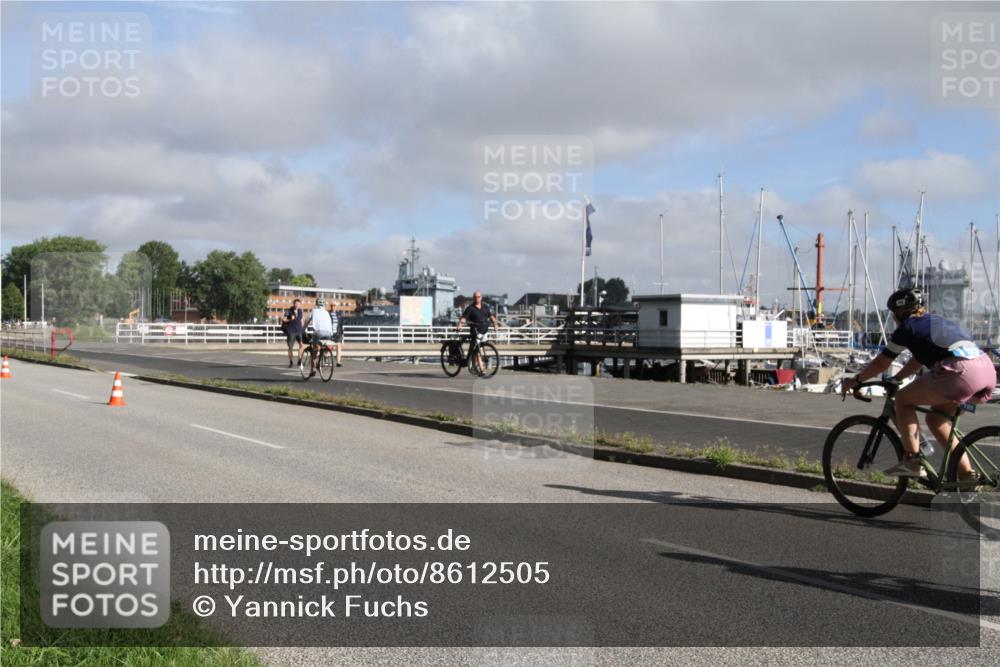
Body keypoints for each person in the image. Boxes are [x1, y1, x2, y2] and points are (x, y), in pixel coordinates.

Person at [841, 288, 996, 479]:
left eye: (893, 314)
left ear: (900, 312)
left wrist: (855, 380)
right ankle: (966, 475)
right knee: (937, 420)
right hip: (986, 370)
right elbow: (919, 360)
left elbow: (882, 362)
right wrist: (896, 378)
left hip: (960, 372)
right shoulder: (935, 321)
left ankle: (912, 462)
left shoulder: (908, 327)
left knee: (903, 399)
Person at [456, 291, 499, 370]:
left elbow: (491, 317)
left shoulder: (485, 307)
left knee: (479, 350)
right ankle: (481, 369)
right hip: (475, 331)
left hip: (484, 331)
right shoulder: (470, 308)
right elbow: (464, 318)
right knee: (478, 350)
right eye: (475, 297)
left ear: (481, 297)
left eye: (478, 297)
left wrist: (495, 324)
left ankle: (475, 366)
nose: (477, 298)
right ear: (473, 298)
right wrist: (460, 325)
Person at [303, 297, 335, 377]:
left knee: (314, 349)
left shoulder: (314, 311)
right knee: (323, 344)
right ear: (324, 304)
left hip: (318, 332)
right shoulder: (327, 312)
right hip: (328, 333)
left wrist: (303, 329)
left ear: (316, 304)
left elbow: (307, 321)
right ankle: (324, 355)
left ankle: (313, 369)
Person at [282, 298, 304, 368]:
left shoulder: (300, 311)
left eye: (298, 304)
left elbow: (301, 320)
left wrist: (303, 329)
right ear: (293, 304)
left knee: (302, 345)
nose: (297, 305)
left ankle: (299, 359)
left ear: (300, 305)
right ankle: (291, 361)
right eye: (296, 304)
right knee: (290, 347)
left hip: (299, 331)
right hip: (291, 331)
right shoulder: (289, 311)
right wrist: (290, 319)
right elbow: (283, 319)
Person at [325, 301, 344, 367]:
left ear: (336, 306)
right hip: (330, 333)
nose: (333, 307)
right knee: (329, 347)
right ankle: (326, 360)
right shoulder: (327, 313)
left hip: (337, 333)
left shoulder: (339, 314)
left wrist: (342, 333)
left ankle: (338, 362)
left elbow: (341, 324)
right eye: (332, 306)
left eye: (334, 306)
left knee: (338, 346)